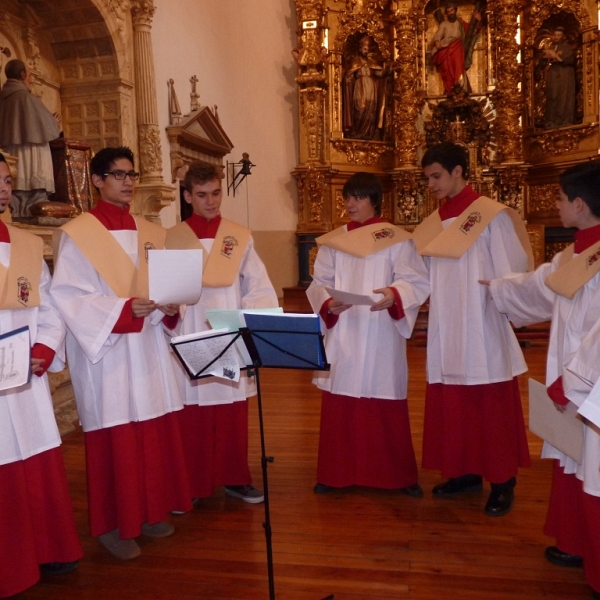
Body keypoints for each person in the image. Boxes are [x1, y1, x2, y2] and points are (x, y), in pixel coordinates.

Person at [50, 146, 192, 560]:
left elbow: (169, 285)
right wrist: (125, 309)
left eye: (132, 175)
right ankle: (114, 526)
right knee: (117, 438)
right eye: (118, 175)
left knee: (150, 432)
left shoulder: (150, 232)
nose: (128, 182)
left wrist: (170, 305)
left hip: (146, 346)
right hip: (108, 353)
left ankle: (147, 512)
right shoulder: (79, 234)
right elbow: (70, 297)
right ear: (97, 181)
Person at [486, 161, 600, 599]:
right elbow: (542, 288)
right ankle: (577, 543)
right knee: (576, 461)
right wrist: (498, 288)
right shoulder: (574, 254)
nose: (553, 204)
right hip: (573, 385)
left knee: (593, 467)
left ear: (580, 203)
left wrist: (571, 381)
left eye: (558, 198)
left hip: (589, 385)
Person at [414, 141, 532, 516]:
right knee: (454, 399)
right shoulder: (434, 223)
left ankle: (502, 481)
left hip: (482, 319)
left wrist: (501, 292)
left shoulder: (490, 215)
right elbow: (423, 275)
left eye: (436, 176)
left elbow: (511, 268)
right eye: (427, 177)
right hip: (446, 323)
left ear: (458, 172)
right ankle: (463, 472)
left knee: (489, 401)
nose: (431, 184)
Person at [306, 172, 430, 495]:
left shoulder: (398, 239)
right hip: (345, 328)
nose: (350, 203)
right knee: (341, 397)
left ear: (374, 200)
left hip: (380, 329)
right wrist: (328, 303)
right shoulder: (334, 241)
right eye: (347, 197)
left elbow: (414, 279)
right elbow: (319, 282)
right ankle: (336, 473)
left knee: (384, 393)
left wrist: (395, 294)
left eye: (358, 197)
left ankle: (395, 476)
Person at [165, 162, 278, 504]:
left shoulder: (238, 237)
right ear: (187, 196)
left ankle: (235, 478)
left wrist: (246, 325)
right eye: (201, 195)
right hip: (190, 332)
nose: (211, 202)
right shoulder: (172, 239)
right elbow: (166, 290)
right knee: (194, 412)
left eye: (215, 193)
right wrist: (170, 314)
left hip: (229, 331)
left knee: (231, 410)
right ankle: (194, 485)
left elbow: (258, 286)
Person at [0, 153, 82, 597]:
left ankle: (49, 547)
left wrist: (45, 347)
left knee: (35, 450)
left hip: (26, 376)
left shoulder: (28, 245)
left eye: (8, 180)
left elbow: (49, 307)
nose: (4, 187)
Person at [0, 59, 60, 217]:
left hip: (10, 156)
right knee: (34, 196)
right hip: (31, 155)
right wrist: (53, 122)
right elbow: (48, 129)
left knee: (16, 194)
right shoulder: (28, 99)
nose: (31, 79)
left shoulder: (3, 99)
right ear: (22, 74)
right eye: (30, 75)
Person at [430, 2, 481, 95]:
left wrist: (478, 21)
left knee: (458, 68)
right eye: (448, 11)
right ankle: (449, 90)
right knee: (446, 70)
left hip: (457, 48)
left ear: (455, 11)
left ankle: (460, 89)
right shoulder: (444, 24)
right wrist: (437, 41)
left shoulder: (460, 23)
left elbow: (472, 32)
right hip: (445, 49)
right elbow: (438, 35)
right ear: (446, 13)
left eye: (452, 10)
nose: (450, 13)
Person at [343, 36, 387, 140]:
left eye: (367, 49)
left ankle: (368, 133)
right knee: (360, 108)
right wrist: (348, 78)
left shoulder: (371, 62)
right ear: (360, 49)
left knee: (370, 109)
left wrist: (388, 69)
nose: (366, 51)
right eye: (364, 49)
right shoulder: (355, 61)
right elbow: (349, 74)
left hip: (371, 88)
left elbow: (379, 73)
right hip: (360, 86)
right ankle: (358, 131)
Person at [542, 27, 576, 129]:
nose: (556, 37)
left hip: (564, 73)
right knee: (553, 94)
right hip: (553, 73)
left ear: (563, 36)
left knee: (564, 95)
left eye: (559, 35)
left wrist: (558, 57)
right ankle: (552, 120)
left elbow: (570, 59)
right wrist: (546, 58)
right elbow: (542, 61)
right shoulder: (550, 46)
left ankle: (564, 119)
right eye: (555, 35)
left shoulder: (566, 47)